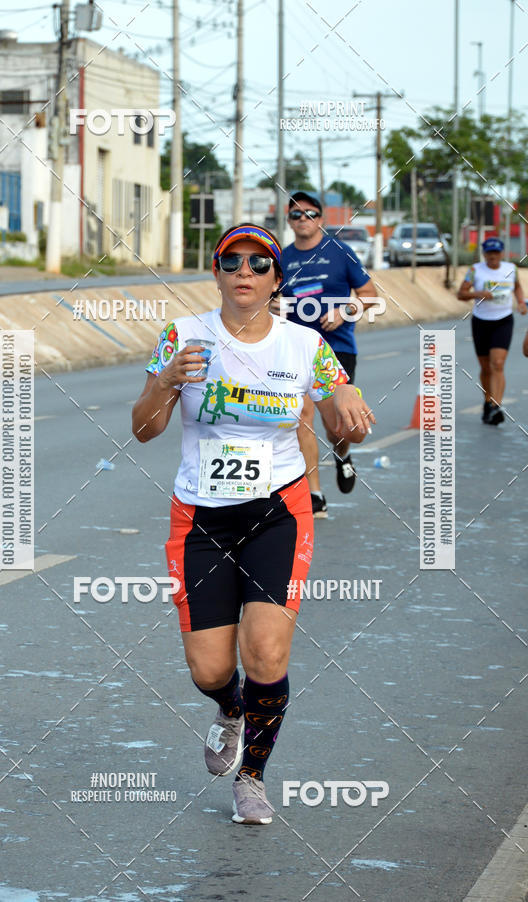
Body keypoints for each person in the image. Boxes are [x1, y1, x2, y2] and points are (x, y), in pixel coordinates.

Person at [132, 224, 375, 825]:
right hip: (200, 518)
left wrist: (348, 410)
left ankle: (252, 778)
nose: (245, 271)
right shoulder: (182, 336)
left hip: (278, 512)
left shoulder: (303, 345)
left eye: (259, 263)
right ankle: (230, 707)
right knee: (210, 669)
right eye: (232, 261)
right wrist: (165, 381)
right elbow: (143, 429)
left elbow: (339, 410)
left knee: (265, 653)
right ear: (216, 273)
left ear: (275, 279)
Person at [279, 190, 380, 517]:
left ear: (320, 219)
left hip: (337, 348)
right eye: (296, 214)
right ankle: (315, 493)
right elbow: (267, 298)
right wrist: (273, 307)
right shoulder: (282, 258)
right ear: (289, 221)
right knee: (301, 418)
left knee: (337, 427)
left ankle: (343, 454)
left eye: (309, 213)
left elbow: (370, 295)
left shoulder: (340, 252)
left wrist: (345, 311)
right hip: (296, 350)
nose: (303, 219)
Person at [457, 236, 526, 424]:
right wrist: (478, 293)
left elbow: (517, 288)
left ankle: (496, 406)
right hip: (481, 321)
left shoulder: (511, 269)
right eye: (489, 253)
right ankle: (487, 401)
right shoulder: (475, 270)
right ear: (484, 254)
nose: (492, 256)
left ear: (502, 253)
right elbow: (461, 293)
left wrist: (521, 302)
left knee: (498, 363)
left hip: (503, 320)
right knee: (486, 367)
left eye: (496, 253)